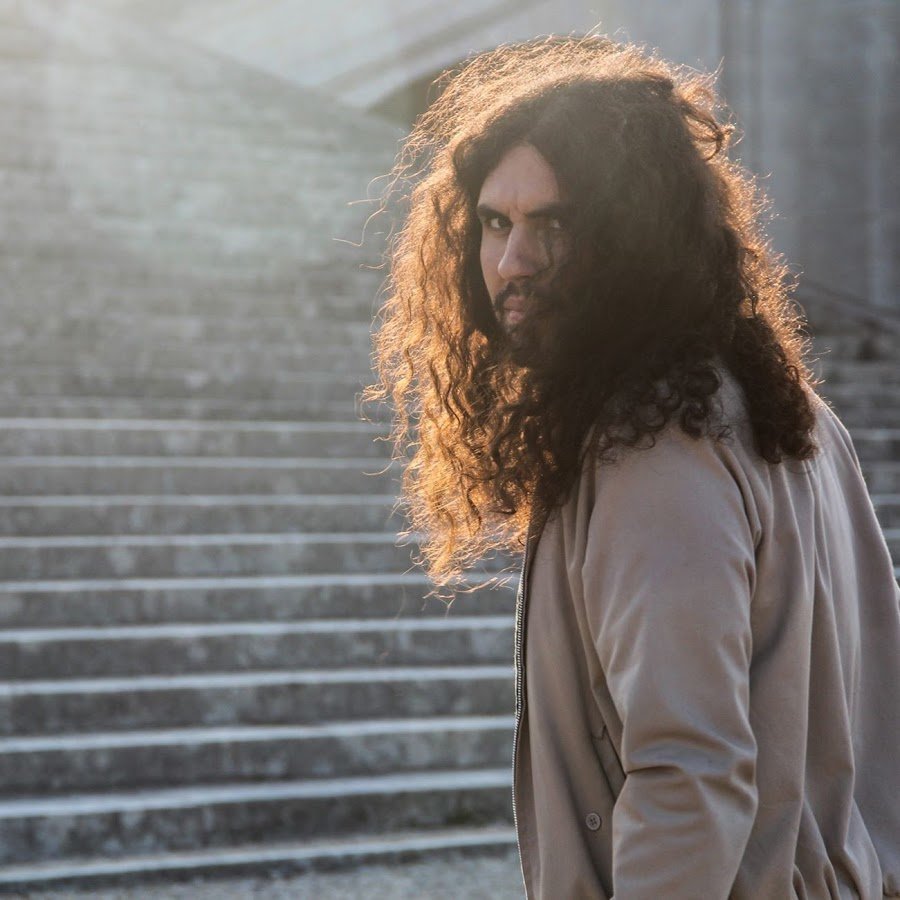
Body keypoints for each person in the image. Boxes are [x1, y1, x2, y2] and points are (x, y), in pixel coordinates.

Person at [367, 36, 900, 899]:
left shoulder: (652, 448)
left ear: (634, 235)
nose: (512, 263)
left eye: (553, 225)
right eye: (496, 224)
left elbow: (687, 775)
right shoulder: (783, 409)